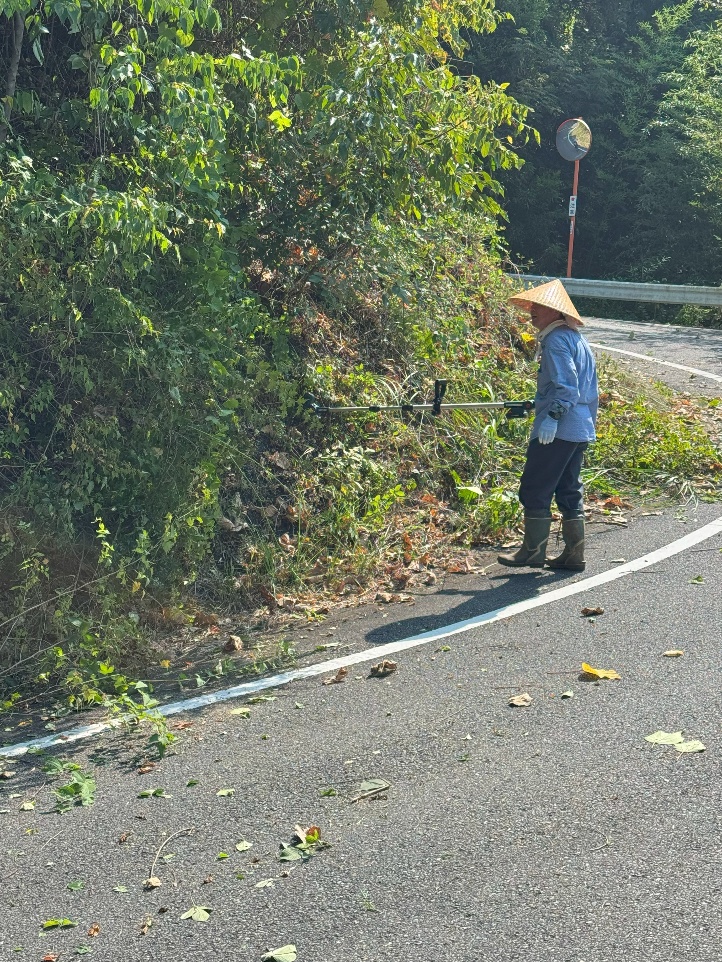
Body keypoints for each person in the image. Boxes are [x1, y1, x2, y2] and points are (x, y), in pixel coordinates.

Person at [498, 279, 598, 571]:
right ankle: (574, 555)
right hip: (580, 427)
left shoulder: (555, 341)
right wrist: (538, 402)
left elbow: (568, 389)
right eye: (532, 305)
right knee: (568, 488)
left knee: (535, 486)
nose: (532, 311)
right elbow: (575, 386)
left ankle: (532, 552)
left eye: (538, 306)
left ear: (554, 312)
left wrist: (552, 418)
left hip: (561, 427)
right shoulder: (576, 338)